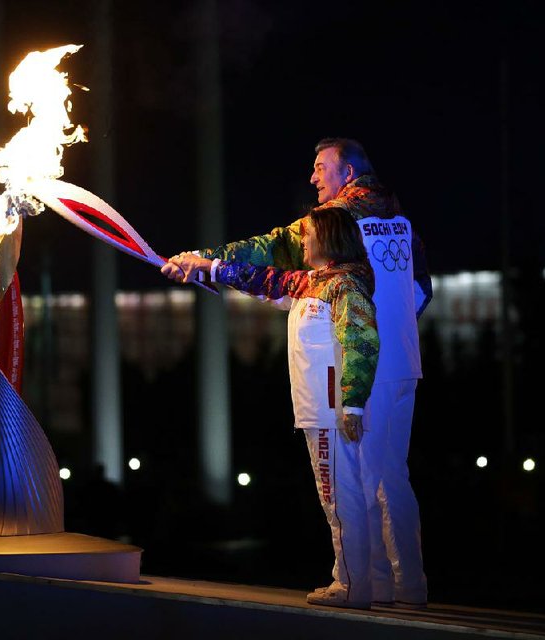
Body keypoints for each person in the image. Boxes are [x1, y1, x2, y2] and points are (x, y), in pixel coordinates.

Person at [168, 138, 431, 609]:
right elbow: (421, 291)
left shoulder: (333, 222)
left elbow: (269, 252)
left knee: (352, 479)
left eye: (320, 167)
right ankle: (405, 583)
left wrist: (204, 259)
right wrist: (391, 333)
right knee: (391, 476)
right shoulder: (400, 220)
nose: (313, 178)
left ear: (347, 172)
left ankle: (359, 583)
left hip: (355, 369)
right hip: (400, 364)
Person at [163, 207, 380, 608]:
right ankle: (358, 581)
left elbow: (362, 342)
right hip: (320, 412)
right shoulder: (312, 283)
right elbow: (261, 279)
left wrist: (352, 405)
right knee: (339, 496)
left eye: (309, 234)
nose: (302, 241)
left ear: (329, 239)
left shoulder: (345, 286)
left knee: (339, 496)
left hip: (333, 414)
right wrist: (204, 265)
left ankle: (352, 585)